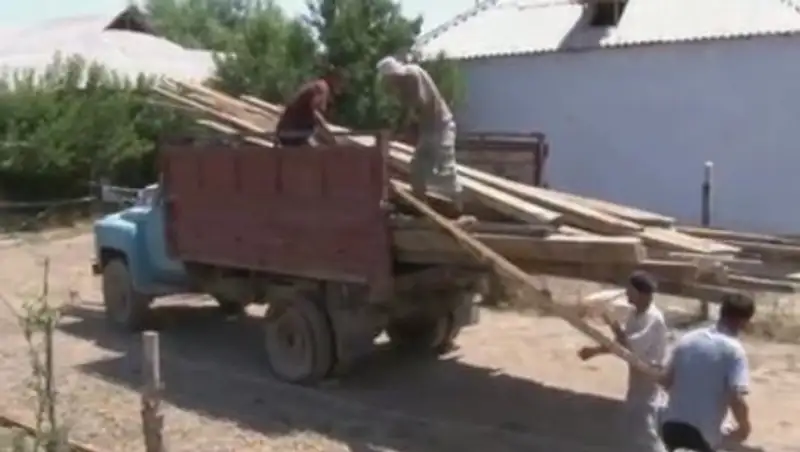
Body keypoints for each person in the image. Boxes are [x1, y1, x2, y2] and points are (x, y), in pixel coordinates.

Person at [577, 271, 669, 452]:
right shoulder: (635, 314)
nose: (627, 293)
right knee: (635, 421)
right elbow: (622, 345)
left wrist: (611, 323)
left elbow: (629, 346)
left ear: (641, 294)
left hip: (649, 375)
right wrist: (596, 350)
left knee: (645, 422)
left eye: (630, 290)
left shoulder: (653, 318)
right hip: (637, 374)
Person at [659, 292, 755, 452]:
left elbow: (666, 380)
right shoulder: (734, 350)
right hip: (702, 434)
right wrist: (744, 427)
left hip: (670, 426)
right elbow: (736, 398)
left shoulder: (688, 338)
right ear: (744, 322)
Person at [375, 55, 465, 219]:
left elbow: (417, 105)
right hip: (428, 129)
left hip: (441, 125)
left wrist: (403, 129)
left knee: (445, 165)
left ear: (393, 75)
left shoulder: (413, 75)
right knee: (417, 167)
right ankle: (421, 207)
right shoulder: (403, 84)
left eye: (389, 80)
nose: (390, 85)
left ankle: (457, 206)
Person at [275, 67, 344, 147]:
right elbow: (315, 112)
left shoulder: (316, 85)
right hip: (291, 133)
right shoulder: (322, 88)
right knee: (320, 146)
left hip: (285, 131)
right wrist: (329, 133)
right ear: (334, 79)